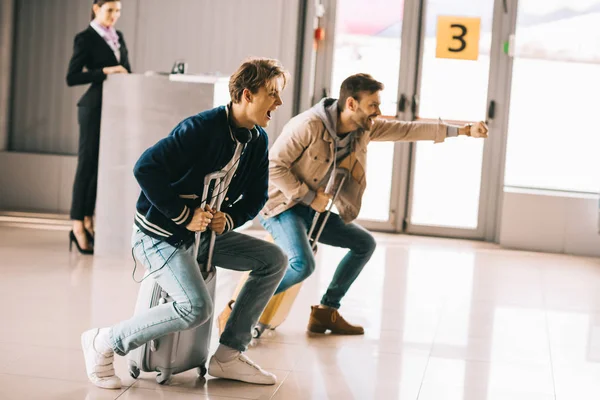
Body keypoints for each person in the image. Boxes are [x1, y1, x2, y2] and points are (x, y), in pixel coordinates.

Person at [222, 73, 488, 336]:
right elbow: (274, 166)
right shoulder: (307, 125)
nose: (378, 111)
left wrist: (463, 130)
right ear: (351, 104)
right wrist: (309, 197)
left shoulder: (363, 129)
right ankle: (236, 309)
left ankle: (326, 311)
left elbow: (407, 129)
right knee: (302, 264)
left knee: (364, 244)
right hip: (281, 207)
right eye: (373, 104)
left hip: (315, 211)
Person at [80, 58, 289, 389]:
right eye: (273, 94)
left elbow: (256, 197)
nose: (278, 103)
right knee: (195, 307)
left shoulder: (257, 140)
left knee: (274, 260)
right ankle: (103, 341)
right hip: (160, 236)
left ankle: (228, 354)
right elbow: (145, 168)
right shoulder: (200, 128)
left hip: (202, 235)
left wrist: (229, 218)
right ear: (247, 95)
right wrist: (185, 215)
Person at [66, 0, 131, 254]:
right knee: (86, 165)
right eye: (109, 10)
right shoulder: (85, 38)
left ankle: (90, 220)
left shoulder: (118, 37)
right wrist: (105, 71)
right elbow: (72, 77)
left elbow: (127, 70)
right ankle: (77, 225)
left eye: (118, 11)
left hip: (112, 110)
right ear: (96, 8)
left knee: (100, 167)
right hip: (93, 108)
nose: (114, 16)